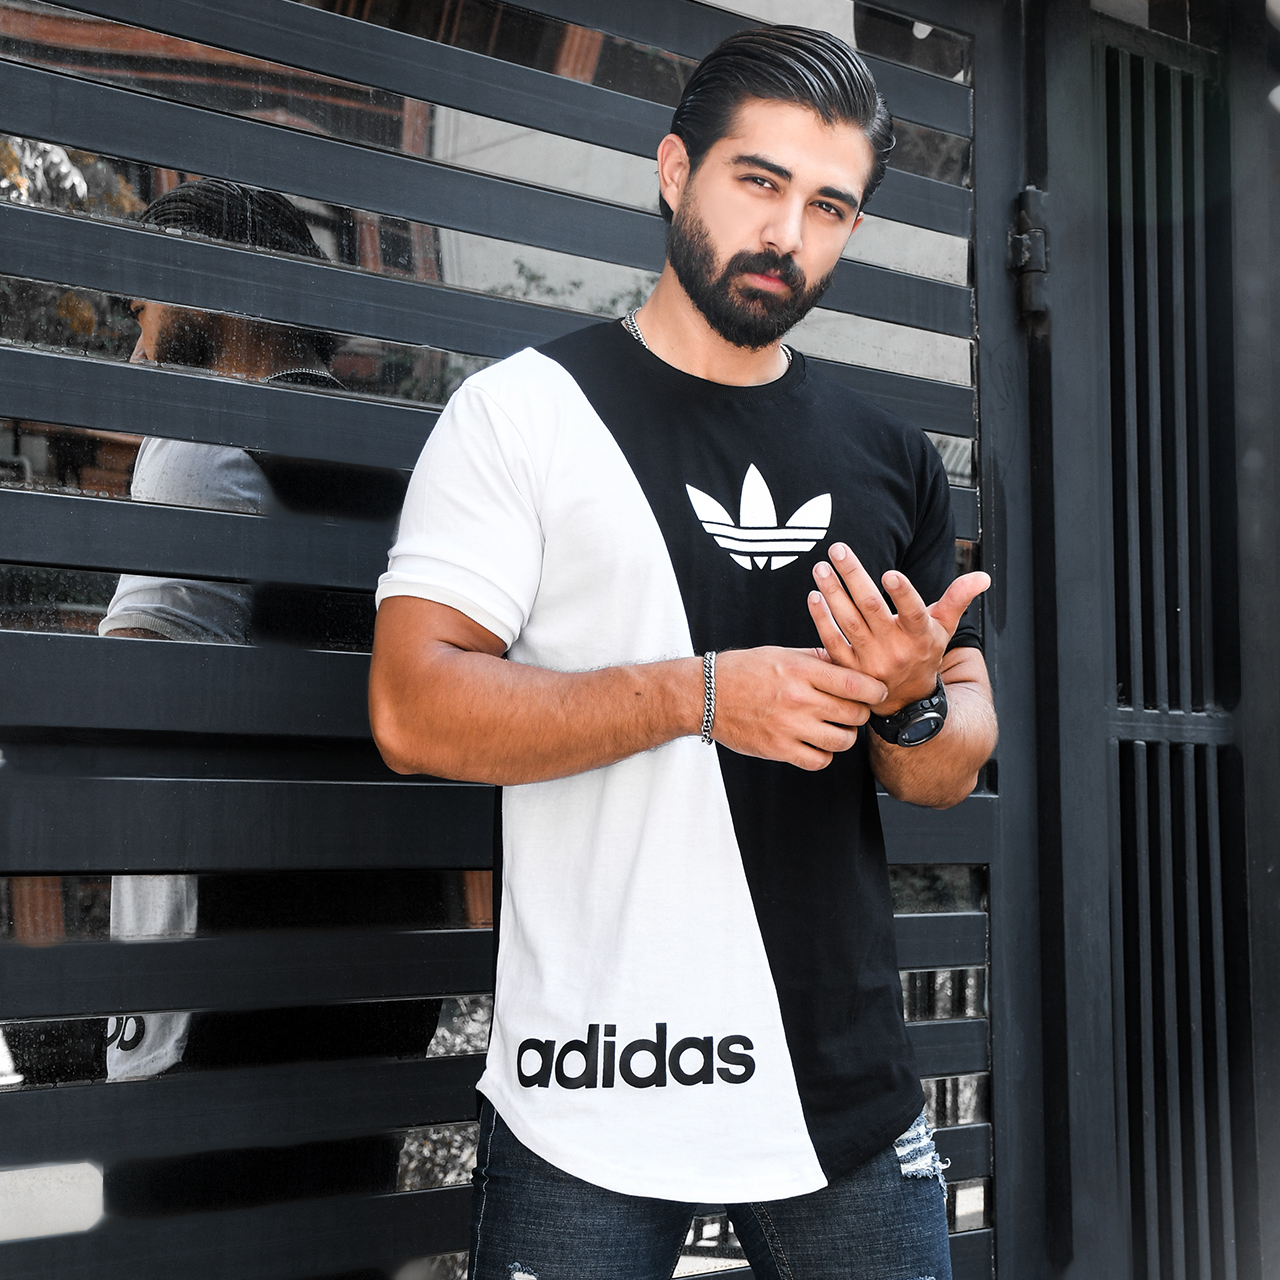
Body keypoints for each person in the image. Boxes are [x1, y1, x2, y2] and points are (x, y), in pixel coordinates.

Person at [370, 26, 997, 1280]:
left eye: (827, 206)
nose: (786, 233)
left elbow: (947, 767)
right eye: (757, 182)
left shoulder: (891, 458)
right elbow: (411, 708)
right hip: (590, 1086)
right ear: (673, 172)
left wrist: (909, 703)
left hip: (838, 1094)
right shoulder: (521, 415)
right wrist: (702, 695)